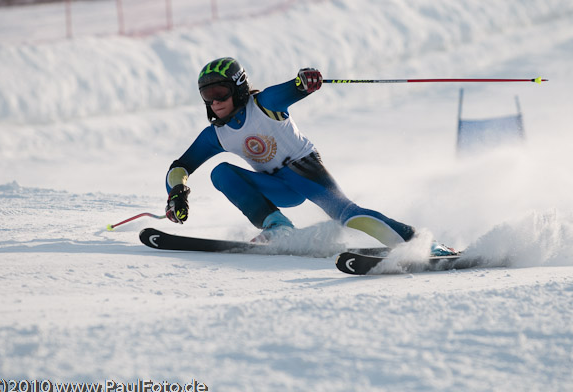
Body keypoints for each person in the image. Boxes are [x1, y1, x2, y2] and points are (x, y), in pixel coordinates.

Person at [165, 57, 456, 255]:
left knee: (347, 216)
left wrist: (305, 81)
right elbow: (181, 166)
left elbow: (294, 88)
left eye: (220, 92)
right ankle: (278, 228)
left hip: (304, 170)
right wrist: (177, 192)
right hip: (275, 186)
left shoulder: (265, 104)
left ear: (239, 89)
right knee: (221, 173)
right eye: (207, 94)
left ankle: (423, 244)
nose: (215, 102)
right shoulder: (215, 135)